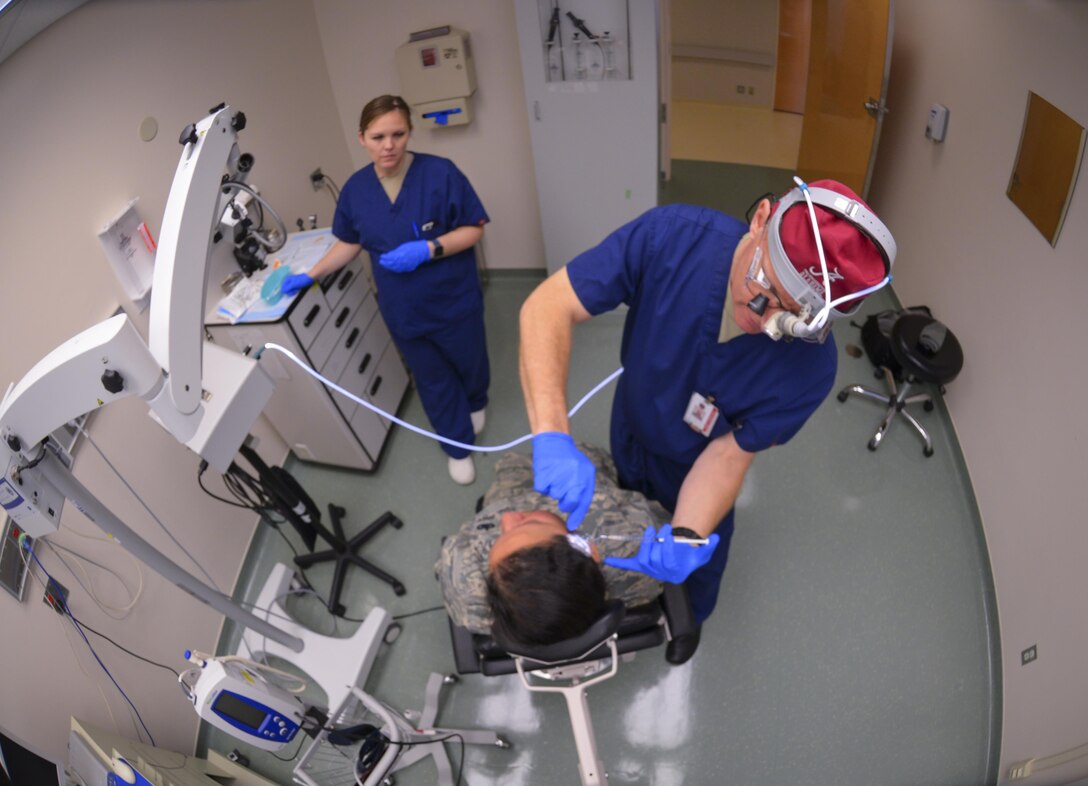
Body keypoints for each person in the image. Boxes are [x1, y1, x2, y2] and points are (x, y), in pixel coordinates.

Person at [519, 179, 895, 660]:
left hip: (696, 461)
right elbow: (547, 307)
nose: (764, 318)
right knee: (627, 512)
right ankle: (641, 598)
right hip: (633, 422)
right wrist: (551, 433)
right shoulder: (673, 237)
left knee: (692, 557)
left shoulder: (809, 368)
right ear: (760, 219)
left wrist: (687, 532)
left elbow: (729, 454)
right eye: (766, 287)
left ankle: (687, 619)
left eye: (791, 315)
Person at [281, 95, 490, 485]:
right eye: (378, 136)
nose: (388, 145)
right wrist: (312, 274)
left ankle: (477, 399)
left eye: (398, 134)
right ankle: (456, 445)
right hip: (403, 306)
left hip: (453, 297)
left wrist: (431, 248)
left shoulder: (441, 174)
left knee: (469, 360)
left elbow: (474, 227)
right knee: (430, 375)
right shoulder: (356, 191)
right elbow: (349, 241)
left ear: (410, 132)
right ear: (362, 138)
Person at [436, 445, 666, 648]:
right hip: (589, 488)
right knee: (589, 458)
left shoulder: (464, 581)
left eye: (503, 536)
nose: (507, 518)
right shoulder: (636, 545)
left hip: (510, 489)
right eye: (532, 523)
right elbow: (653, 513)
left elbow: (447, 561)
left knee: (511, 464)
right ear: (586, 546)